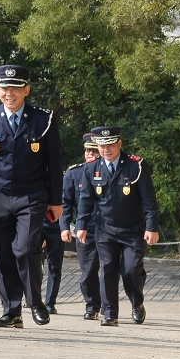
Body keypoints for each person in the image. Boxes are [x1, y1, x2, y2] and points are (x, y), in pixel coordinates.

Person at [0, 65, 63, 329]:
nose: (10, 93)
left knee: (25, 248)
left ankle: (36, 302)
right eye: (5, 88)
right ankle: (11, 310)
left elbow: (54, 164)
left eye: (16, 88)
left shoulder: (44, 120)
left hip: (32, 196)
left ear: (26, 90)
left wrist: (56, 201)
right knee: (3, 253)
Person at [75, 126, 160, 326]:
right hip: (105, 228)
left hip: (133, 229)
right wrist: (81, 225)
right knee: (108, 268)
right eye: (102, 145)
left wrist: (151, 227)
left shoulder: (136, 166)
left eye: (111, 145)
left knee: (130, 270)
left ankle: (137, 302)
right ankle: (110, 314)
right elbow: (85, 200)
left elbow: (149, 200)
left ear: (119, 144)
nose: (106, 149)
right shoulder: (91, 168)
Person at [60, 132, 101, 320]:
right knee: (88, 271)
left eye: (94, 151)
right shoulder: (74, 173)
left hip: (110, 229)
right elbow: (65, 203)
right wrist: (65, 227)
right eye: (88, 151)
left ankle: (109, 307)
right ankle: (92, 305)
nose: (91, 155)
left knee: (112, 270)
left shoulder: (113, 172)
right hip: (86, 230)